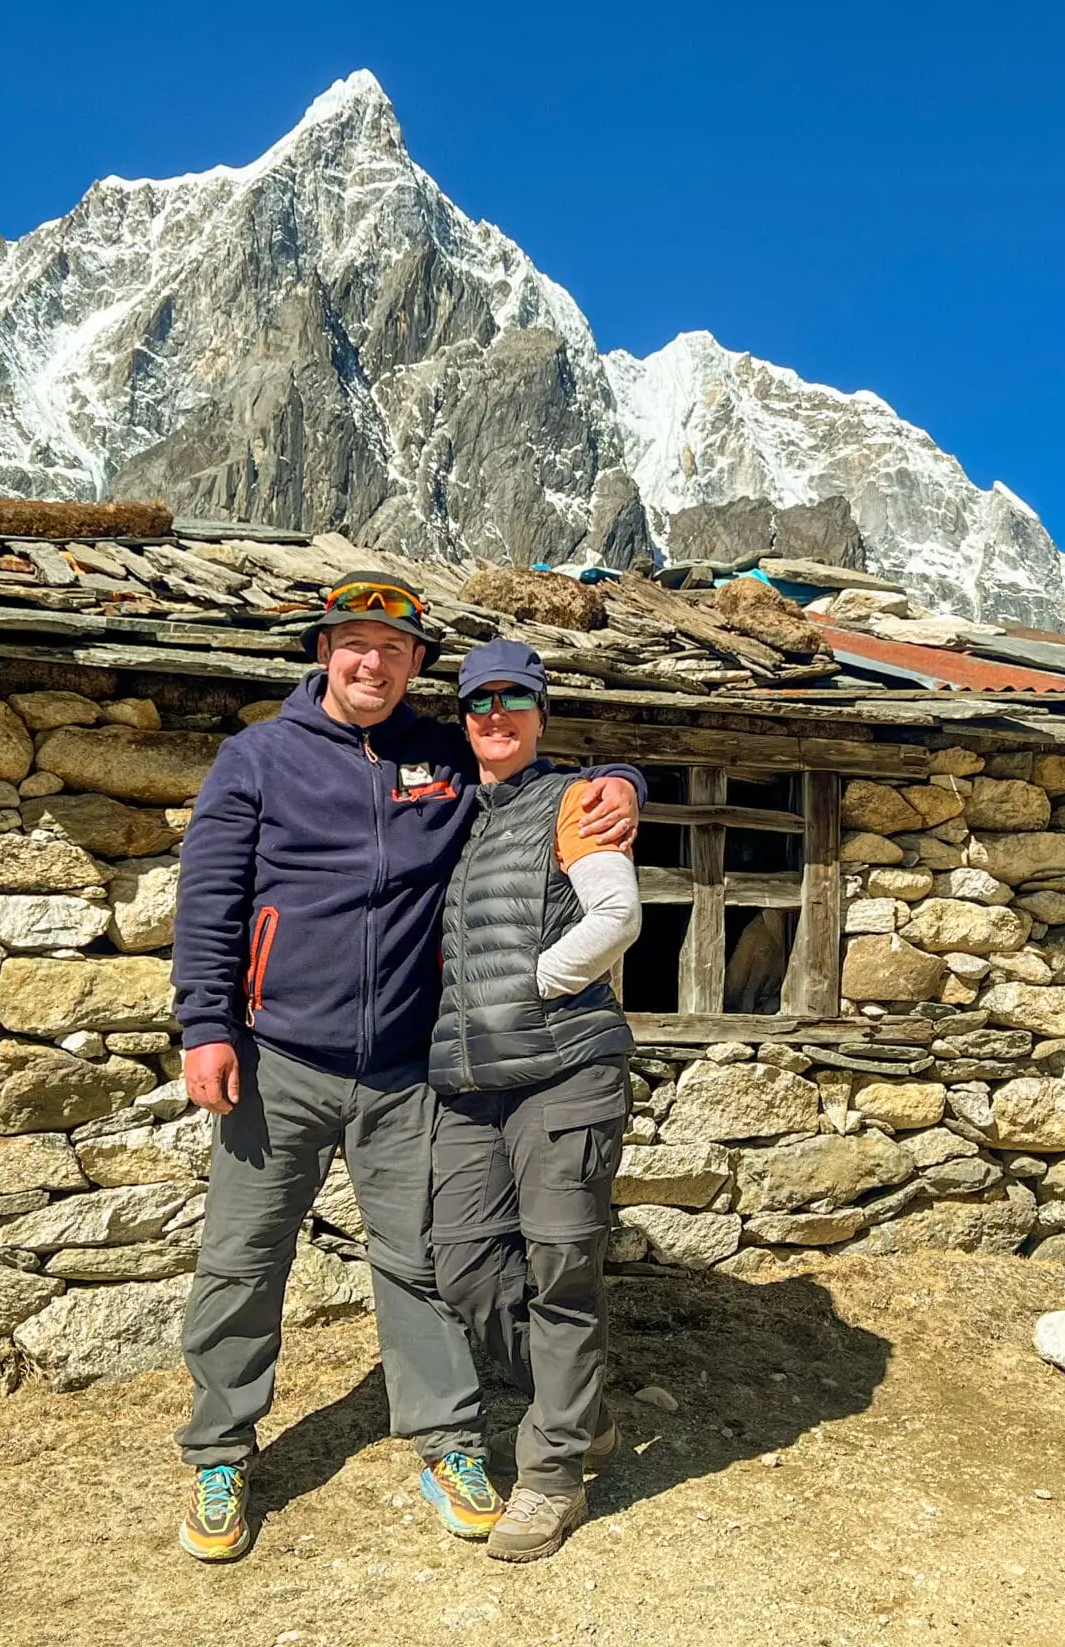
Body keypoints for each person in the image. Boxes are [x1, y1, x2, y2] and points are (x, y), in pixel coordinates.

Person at [168, 572, 644, 1564]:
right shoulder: (255, 759)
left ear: (417, 663)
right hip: (277, 1060)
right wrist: (206, 1025)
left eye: (392, 649)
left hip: (402, 1070)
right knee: (240, 1262)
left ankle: (448, 1439)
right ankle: (220, 1450)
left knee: (421, 1266)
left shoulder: (441, 754)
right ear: (322, 651)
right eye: (352, 642)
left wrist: (624, 784)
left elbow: (538, 777)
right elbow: (210, 901)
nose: (370, 661)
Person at [425, 639, 641, 1563]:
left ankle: (551, 1475)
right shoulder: (457, 818)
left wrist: (543, 980)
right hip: (471, 1085)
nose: (497, 717)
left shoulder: (572, 802)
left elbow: (617, 918)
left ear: (541, 714)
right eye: (481, 705)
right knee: (464, 1266)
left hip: (564, 1071)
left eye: (516, 701)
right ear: (465, 718)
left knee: (560, 1269)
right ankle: (576, 1407)